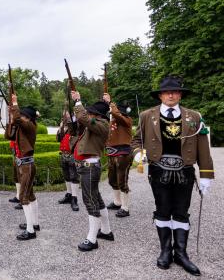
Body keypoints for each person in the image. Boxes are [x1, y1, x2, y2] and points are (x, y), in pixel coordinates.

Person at [131, 76, 214, 276]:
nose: (171, 95)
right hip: (159, 171)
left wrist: (206, 175)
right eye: (167, 92)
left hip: (185, 171)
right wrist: (138, 154)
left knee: (181, 212)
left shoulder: (194, 116)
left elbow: (203, 146)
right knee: (162, 210)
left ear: (180, 95)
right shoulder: (146, 116)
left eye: (175, 92)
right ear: (160, 95)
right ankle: (166, 250)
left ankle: (181, 253)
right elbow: (136, 141)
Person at [71, 90, 113, 252]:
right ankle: (107, 231)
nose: (88, 113)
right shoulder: (95, 124)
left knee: (90, 202)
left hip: (89, 168)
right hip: (87, 167)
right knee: (97, 199)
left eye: (91, 112)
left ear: (97, 114)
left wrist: (78, 101)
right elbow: (80, 122)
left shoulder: (101, 124)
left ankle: (92, 239)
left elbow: (82, 117)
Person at [6, 96, 39, 240]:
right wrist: (12, 121)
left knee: (23, 197)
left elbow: (19, 119)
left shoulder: (30, 126)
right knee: (30, 195)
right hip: (23, 164)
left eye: (24, 116)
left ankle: (30, 230)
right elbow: (9, 136)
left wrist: (14, 104)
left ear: (29, 118)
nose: (22, 118)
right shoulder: (22, 127)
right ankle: (35, 223)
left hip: (26, 165)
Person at [103, 93, 133, 217]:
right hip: (112, 154)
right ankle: (117, 202)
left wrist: (110, 103)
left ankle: (125, 208)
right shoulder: (114, 120)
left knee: (122, 181)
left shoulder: (127, 120)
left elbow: (116, 114)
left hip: (123, 155)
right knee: (112, 179)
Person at [57, 108, 81, 211]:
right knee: (67, 176)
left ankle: (74, 199)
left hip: (72, 155)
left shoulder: (75, 127)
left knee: (74, 177)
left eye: (66, 115)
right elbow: (58, 138)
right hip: (64, 155)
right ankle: (69, 195)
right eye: (64, 115)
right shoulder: (64, 127)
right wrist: (61, 126)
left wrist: (70, 117)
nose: (65, 116)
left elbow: (74, 123)